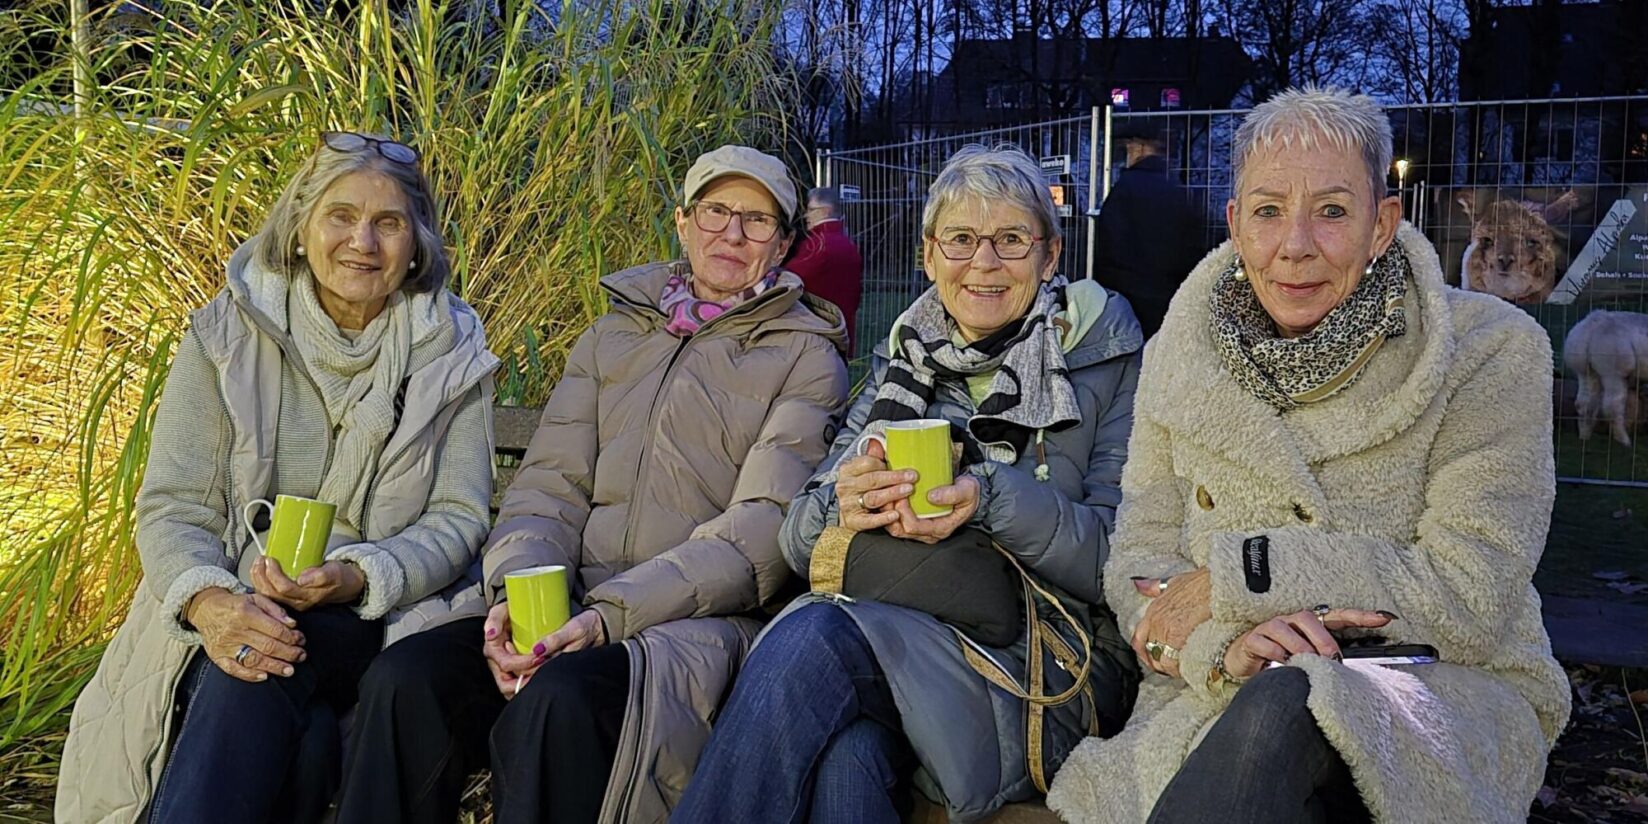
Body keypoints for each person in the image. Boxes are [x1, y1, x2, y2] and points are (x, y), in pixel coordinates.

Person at [1046, 87, 1572, 824]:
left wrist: (1246, 576)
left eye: (1331, 211)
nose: (1294, 245)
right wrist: (1224, 642)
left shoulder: (1487, 353)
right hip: (1214, 695)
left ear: (1382, 224)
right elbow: (1140, 558)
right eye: (1267, 211)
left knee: (1291, 703)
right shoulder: (1179, 358)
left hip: (1434, 689)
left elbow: (1470, 590)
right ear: (1234, 224)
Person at [333, 144, 850, 824]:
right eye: (716, 211)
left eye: (757, 221)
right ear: (683, 221)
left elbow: (754, 537)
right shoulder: (611, 335)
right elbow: (548, 488)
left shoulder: (806, 354)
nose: (731, 232)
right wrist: (523, 599)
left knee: (561, 702)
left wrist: (606, 617)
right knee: (405, 681)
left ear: (783, 244)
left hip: (687, 627)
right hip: (565, 607)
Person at [673, 144, 1143, 824]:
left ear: (1050, 255)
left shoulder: (1107, 358)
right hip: (898, 635)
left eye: (1011, 240)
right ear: (929, 256)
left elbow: (1118, 560)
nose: (983, 263)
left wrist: (989, 497)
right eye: (960, 240)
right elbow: (801, 539)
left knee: (812, 642)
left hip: (1044, 666)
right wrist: (845, 499)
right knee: (849, 763)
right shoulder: (908, 360)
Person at [56, 132, 499, 824]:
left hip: (376, 613)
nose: (364, 242)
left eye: (388, 223)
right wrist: (209, 601)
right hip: (237, 591)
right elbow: (175, 506)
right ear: (300, 229)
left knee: (260, 657)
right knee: (297, 717)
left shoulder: (453, 351)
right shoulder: (228, 335)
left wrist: (359, 573)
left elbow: (458, 516)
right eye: (341, 216)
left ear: (418, 244)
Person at [1093, 121, 1209, 338]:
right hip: (1168, 300)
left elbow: (1109, 247)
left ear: (1139, 148)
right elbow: (1192, 251)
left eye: (1128, 147)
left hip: (1126, 302)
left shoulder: (1122, 191)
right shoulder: (1177, 192)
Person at [785, 185, 864, 352]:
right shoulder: (849, 245)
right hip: (842, 332)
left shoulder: (817, 245)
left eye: (811, 209)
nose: (806, 215)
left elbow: (788, 279)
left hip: (816, 336)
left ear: (826, 211)